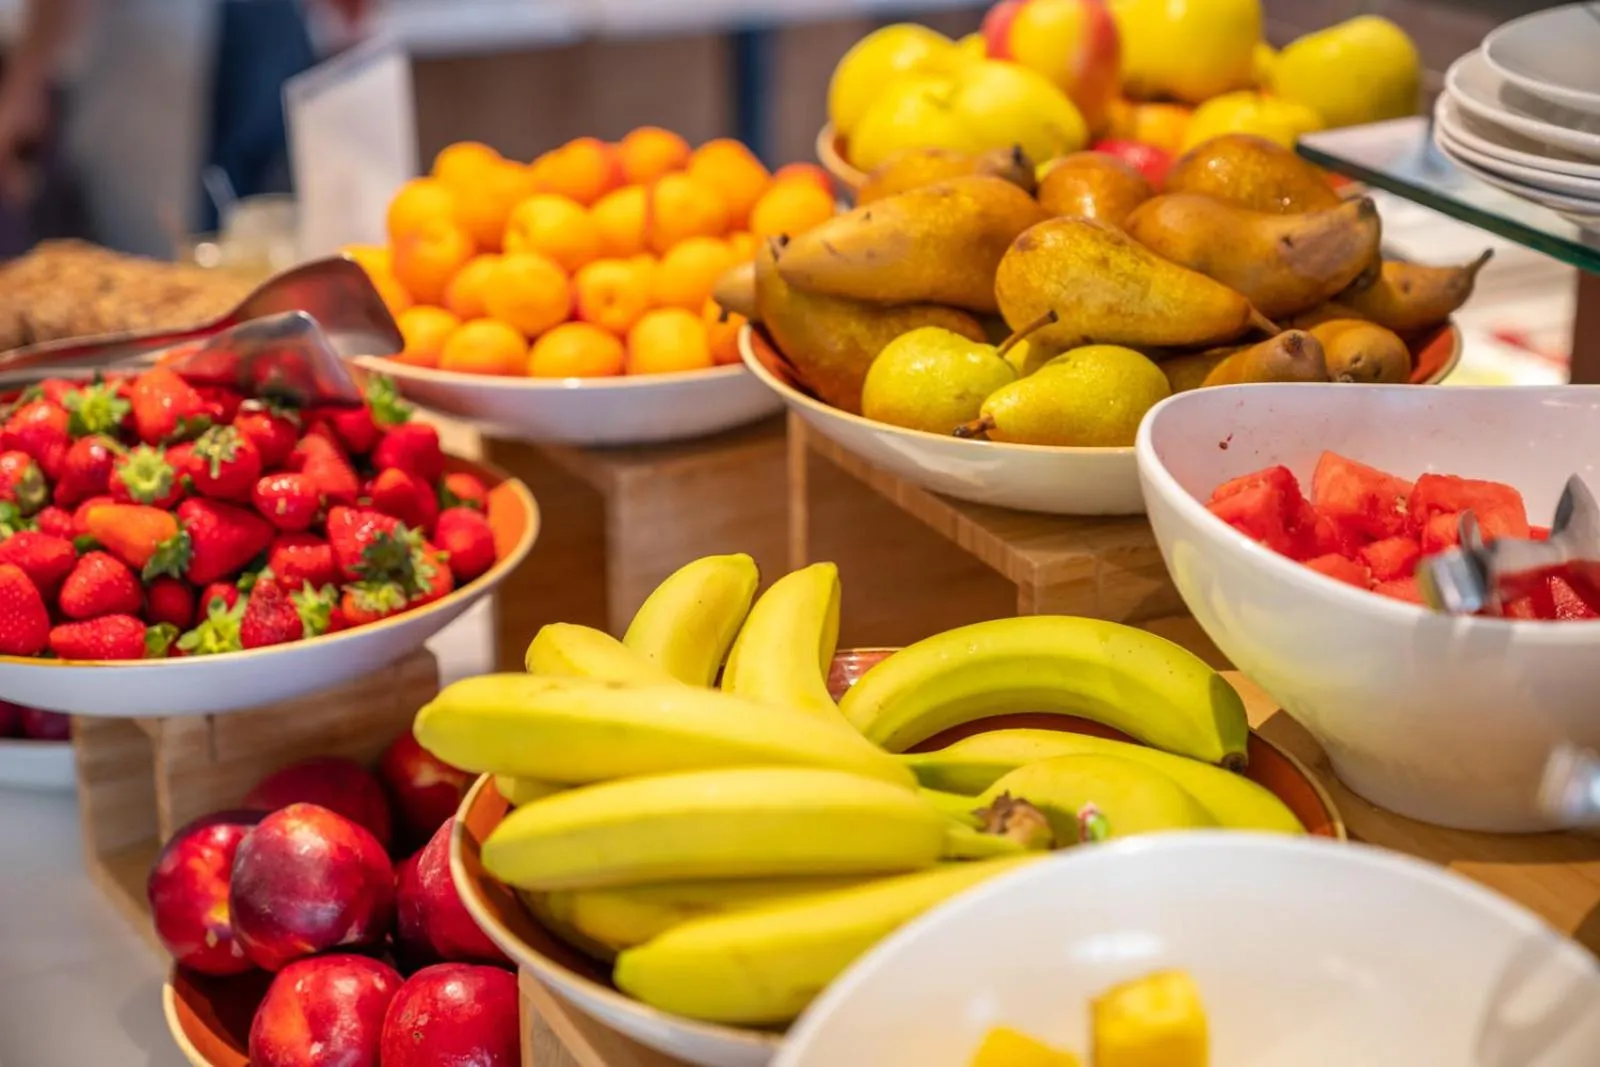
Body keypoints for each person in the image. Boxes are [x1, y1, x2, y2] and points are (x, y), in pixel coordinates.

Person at [0, 0, 366, 258]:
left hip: (161, 38)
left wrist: (26, 82)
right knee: (251, 242)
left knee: (161, 261)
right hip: (273, 23)